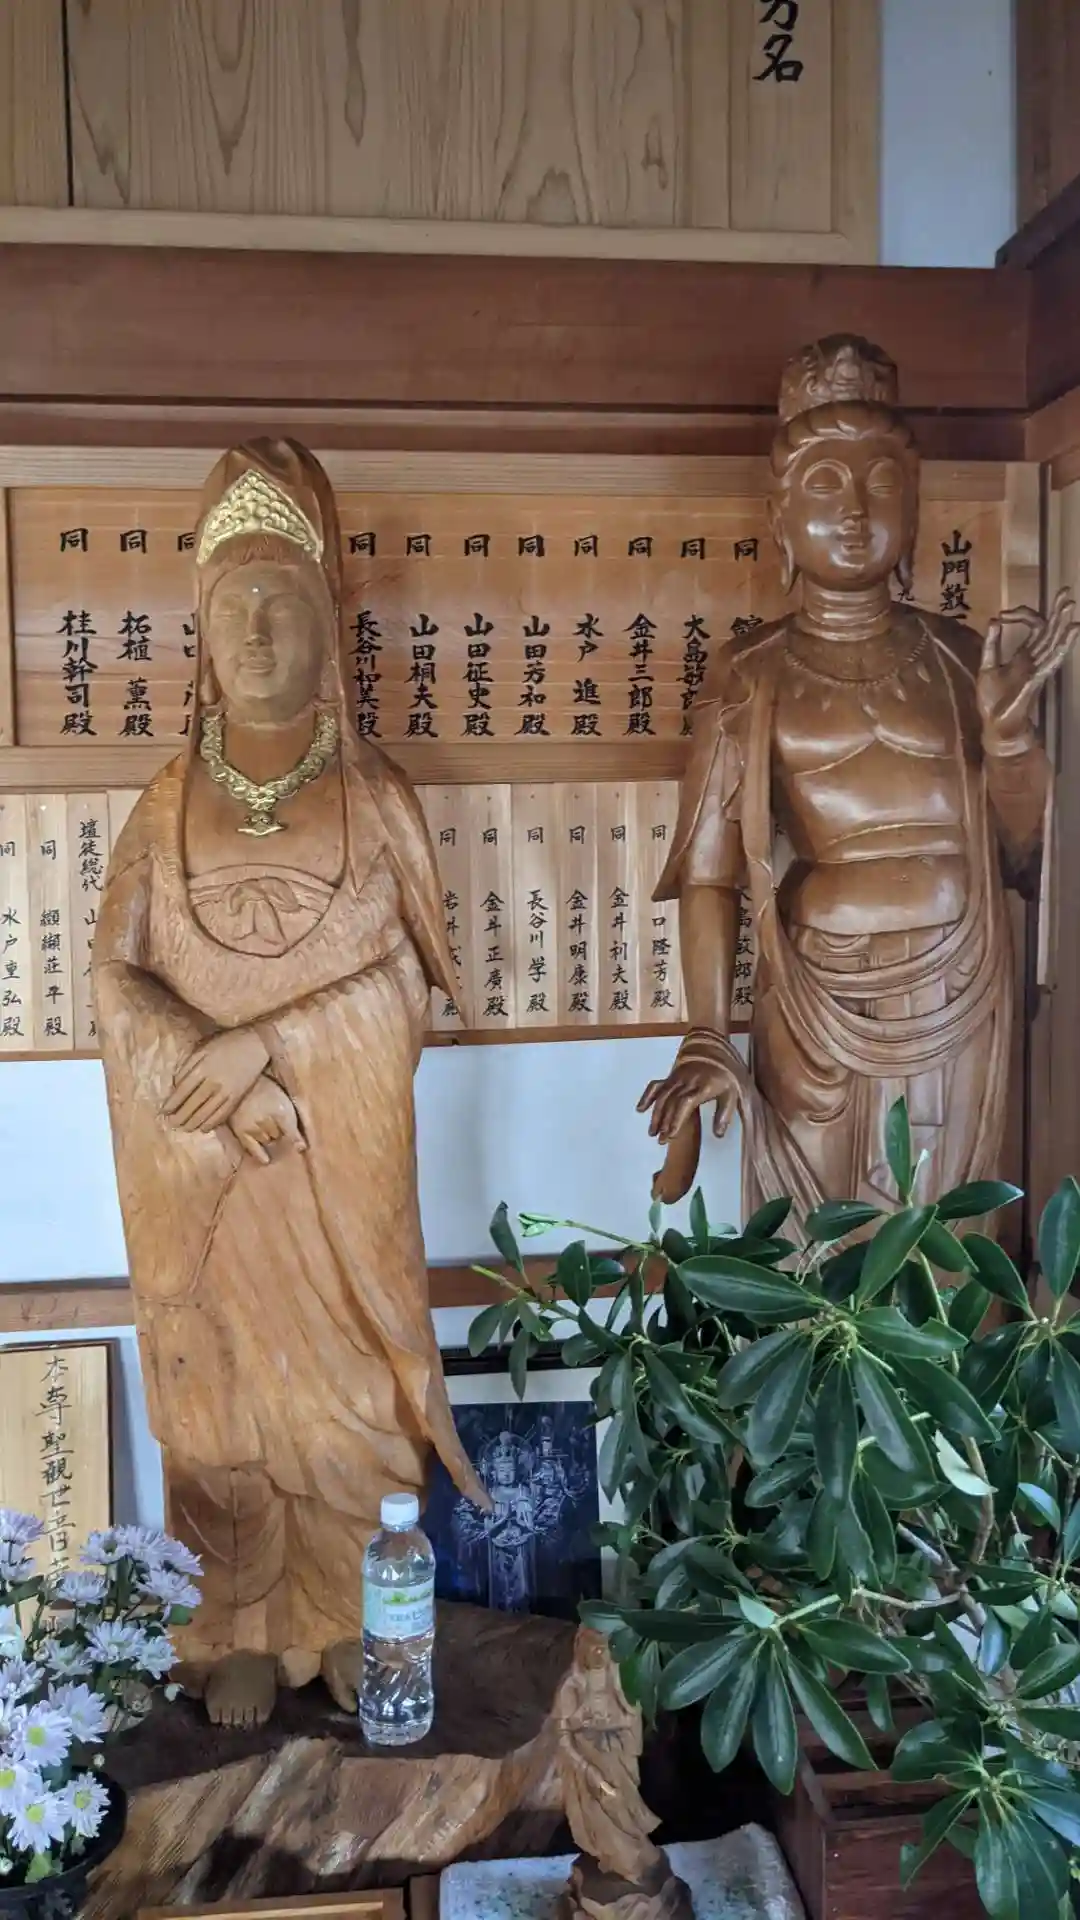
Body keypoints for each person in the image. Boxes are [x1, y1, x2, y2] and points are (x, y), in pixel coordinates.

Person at [92, 439, 486, 1727]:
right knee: (222, 1400)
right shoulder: (167, 800)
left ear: (331, 629)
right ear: (200, 638)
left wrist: (269, 1047)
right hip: (207, 1168)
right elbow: (113, 978)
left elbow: (405, 991)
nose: (257, 632)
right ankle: (236, 1626)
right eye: (232, 608)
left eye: (283, 603)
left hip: (333, 1169)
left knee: (349, 1393)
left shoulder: (375, 798)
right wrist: (199, 1069)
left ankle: (347, 1617)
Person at [639, 335, 1078, 1217]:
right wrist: (704, 1034)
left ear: (913, 509)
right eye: (825, 484)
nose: (853, 511)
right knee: (816, 1243)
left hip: (962, 987)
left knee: (948, 1238)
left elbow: (1022, 855)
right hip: (818, 998)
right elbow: (709, 875)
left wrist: (1008, 739)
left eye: (881, 483)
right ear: (780, 517)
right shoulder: (750, 672)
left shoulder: (963, 658)